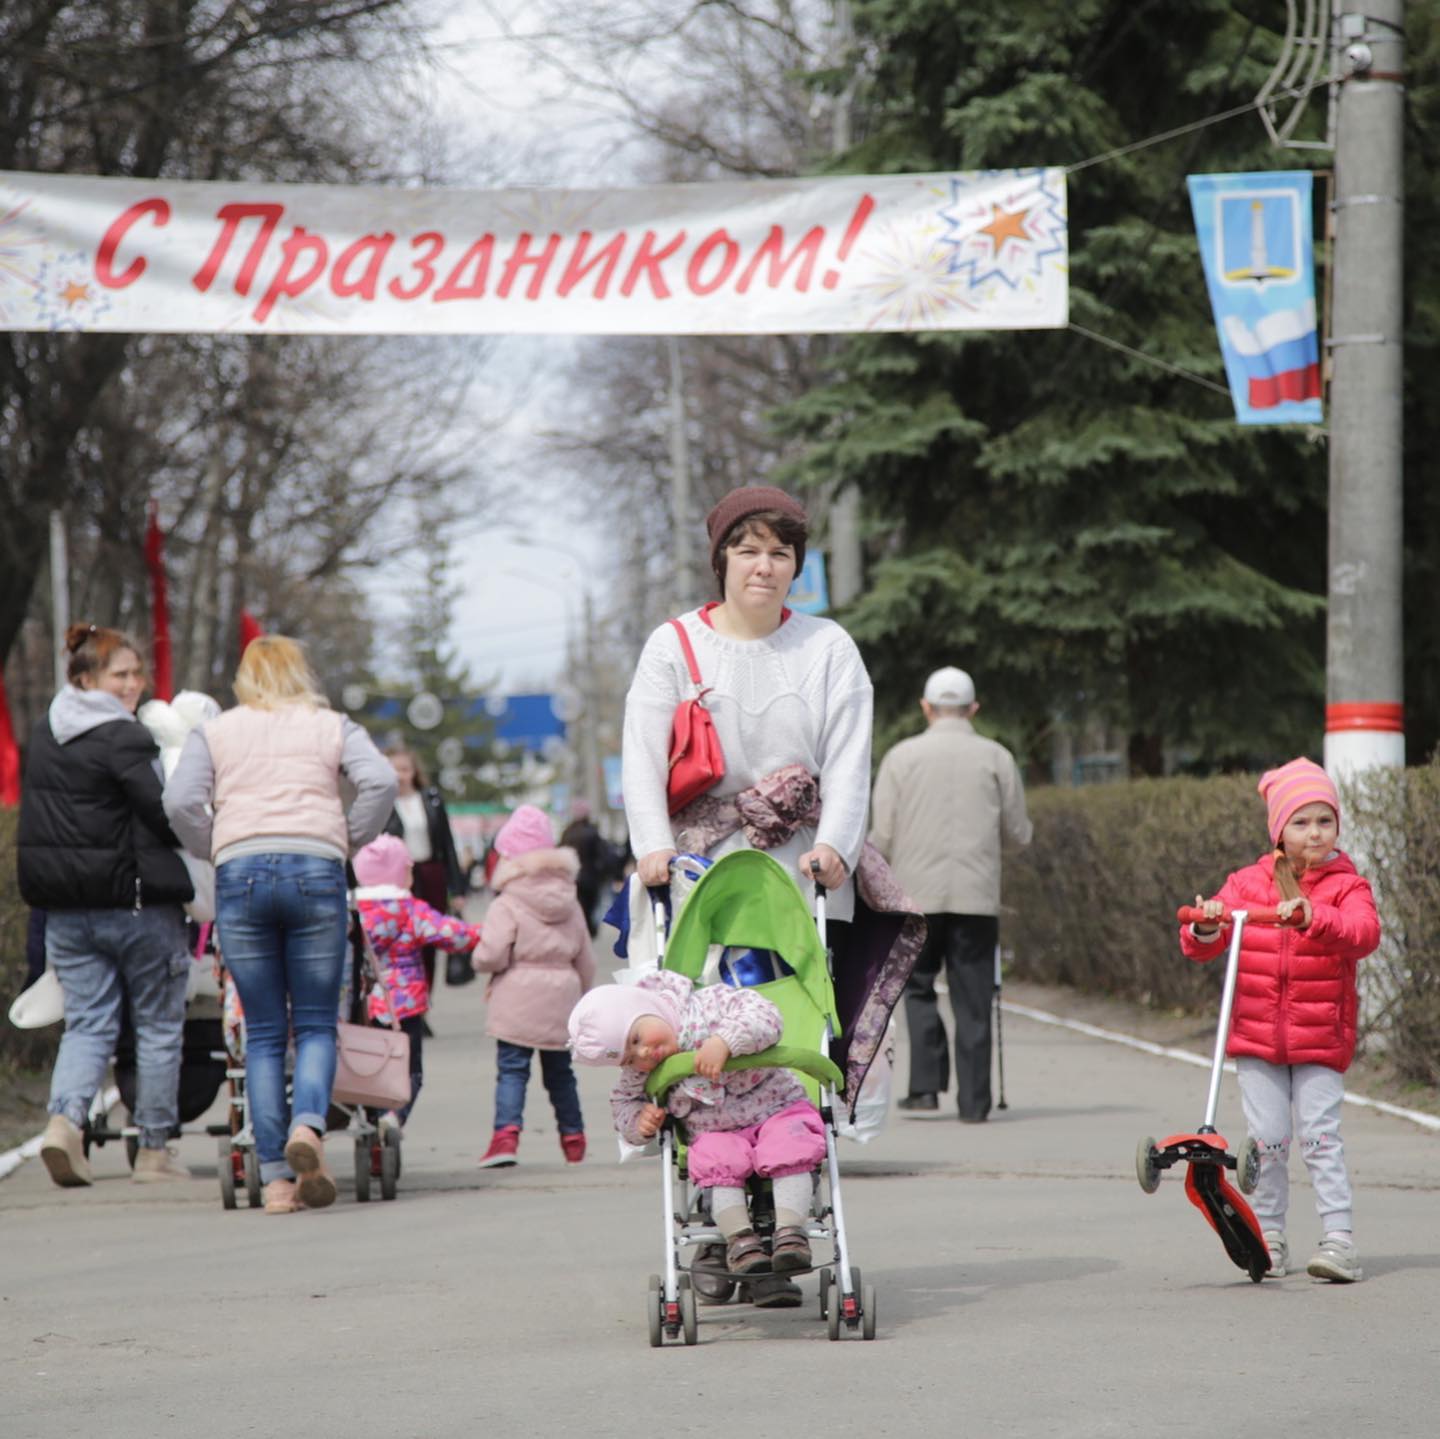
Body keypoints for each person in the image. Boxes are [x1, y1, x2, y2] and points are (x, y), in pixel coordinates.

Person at [620, 484, 923, 1305]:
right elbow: (641, 758)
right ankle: (719, 1224)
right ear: (721, 556)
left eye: (781, 551)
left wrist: (836, 847)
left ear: (798, 564)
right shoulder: (674, 646)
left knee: (788, 1030)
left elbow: (850, 757)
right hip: (693, 871)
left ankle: (785, 1209)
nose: (765, 564)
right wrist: (651, 847)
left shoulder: (827, 647)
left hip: (796, 874)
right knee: (690, 1037)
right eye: (749, 548)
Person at [164, 635, 396, 1215]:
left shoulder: (216, 732)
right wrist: (346, 838)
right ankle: (309, 1127)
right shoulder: (330, 725)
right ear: (301, 673)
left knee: (264, 1033)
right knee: (317, 1023)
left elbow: (179, 801)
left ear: (244, 678)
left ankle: (275, 1182)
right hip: (316, 869)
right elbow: (382, 782)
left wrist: (216, 846)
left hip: (241, 874)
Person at [1181, 757, 1380, 1283]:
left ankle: (1339, 1239)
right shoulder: (1247, 884)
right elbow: (1208, 941)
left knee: (1320, 1136)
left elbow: (1363, 934)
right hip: (1257, 1035)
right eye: (1301, 822)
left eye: (1324, 820)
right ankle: (1268, 1233)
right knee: (1266, 1141)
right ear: (1278, 831)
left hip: (1319, 1036)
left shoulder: (1346, 886)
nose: (1315, 832)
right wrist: (1205, 926)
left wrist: (1318, 918)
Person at [18, 623, 196, 1188]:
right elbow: (164, 815)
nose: (134, 684)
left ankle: (63, 1126)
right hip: (135, 905)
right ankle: (154, 1149)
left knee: (88, 1025)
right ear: (86, 678)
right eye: (120, 673)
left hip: (66, 910)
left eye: (137, 673)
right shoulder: (125, 736)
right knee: (159, 1026)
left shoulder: (46, 732)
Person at [569, 971, 827, 1275]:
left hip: (775, 1107)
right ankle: (740, 1241)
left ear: (646, 1008)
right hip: (715, 1129)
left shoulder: (708, 1006)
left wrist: (725, 1041)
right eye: (628, 1059)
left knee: (791, 1145)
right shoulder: (641, 1069)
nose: (642, 1055)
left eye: (637, 1039)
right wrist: (638, 1121)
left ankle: (790, 1235)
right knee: (715, 1162)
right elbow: (623, 1101)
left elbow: (765, 1014)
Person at [870, 666, 1032, 1122]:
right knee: (974, 996)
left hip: (913, 896)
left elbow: (880, 836)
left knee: (916, 987)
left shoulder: (901, 758)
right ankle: (975, 1102)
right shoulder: (996, 757)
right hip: (976, 896)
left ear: (926, 707)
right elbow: (1018, 833)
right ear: (973, 708)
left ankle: (923, 1089)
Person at [472, 805, 595, 1168]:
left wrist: (480, 960)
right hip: (562, 995)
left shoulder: (507, 902)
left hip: (517, 997)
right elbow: (585, 958)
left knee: (512, 1070)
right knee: (561, 1074)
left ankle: (505, 1138)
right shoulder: (570, 901)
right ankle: (573, 1138)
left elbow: (491, 954)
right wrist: (581, 994)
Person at [352, 834, 482, 1127]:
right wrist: (483, 932)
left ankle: (372, 1117)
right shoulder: (411, 910)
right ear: (402, 874)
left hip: (361, 1007)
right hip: (404, 1007)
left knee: (365, 1068)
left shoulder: (352, 913)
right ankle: (394, 1117)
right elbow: (453, 935)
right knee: (410, 1072)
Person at [384, 746, 468, 997]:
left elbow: (447, 844)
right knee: (404, 940)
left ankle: (425, 998)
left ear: (414, 771)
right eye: (394, 769)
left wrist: (457, 888)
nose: (400, 775)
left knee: (430, 938)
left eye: (404, 769)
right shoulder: (382, 803)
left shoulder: (430, 799)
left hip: (432, 874)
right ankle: (408, 999)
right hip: (400, 879)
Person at [560, 801, 618, 936]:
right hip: (590, 878)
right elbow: (604, 856)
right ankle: (588, 931)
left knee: (577, 906)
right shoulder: (592, 832)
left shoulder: (568, 833)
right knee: (590, 907)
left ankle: (579, 930)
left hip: (572, 877)